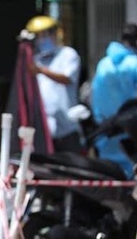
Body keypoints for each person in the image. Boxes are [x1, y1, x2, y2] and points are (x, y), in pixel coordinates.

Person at [25, 15, 85, 153]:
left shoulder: (68, 55)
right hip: (44, 128)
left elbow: (67, 78)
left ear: (55, 34)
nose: (43, 39)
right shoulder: (35, 60)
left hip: (67, 126)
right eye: (39, 36)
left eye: (46, 34)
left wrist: (41, 71)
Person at [91, 23, 137, 178]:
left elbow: (95, 95)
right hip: (131, 133)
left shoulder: (103, 64)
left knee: (110, 179)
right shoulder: (134, 64)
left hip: (106, 130)